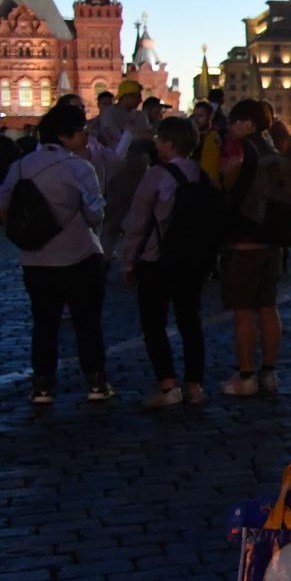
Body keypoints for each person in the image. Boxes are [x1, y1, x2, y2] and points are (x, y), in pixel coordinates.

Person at [0, 103, 111, 404]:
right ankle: (97, 383)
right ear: (65, 136)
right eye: (81, 132)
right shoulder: (79, 168)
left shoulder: (20, 166)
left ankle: (42, 386)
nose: (86, 137)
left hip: (35, 260)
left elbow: (5, 206)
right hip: (80, 256)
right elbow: (95, 214)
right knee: (86, 321)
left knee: (44, 323)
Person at [120, 116, 212, 408]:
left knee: (154, 324)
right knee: (190, 322)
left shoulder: (156, 176)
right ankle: (195, 385)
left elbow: (137, 221)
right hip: (192, 260)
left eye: (159, 139)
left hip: (156, 259)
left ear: (170, 144)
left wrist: (128, 260)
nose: (156, 143)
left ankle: (168, 385)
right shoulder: (200, 174)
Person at [219, 100, 286, 396]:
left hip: (243, 237)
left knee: (243, 311)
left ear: (247, 124)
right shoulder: (272, 149)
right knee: (268, 307)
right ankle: (269, 373)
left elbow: (227, 178)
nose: (231, 127)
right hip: (272, 236)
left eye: (235, 121)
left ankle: (246, 376)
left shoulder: (239, 147)